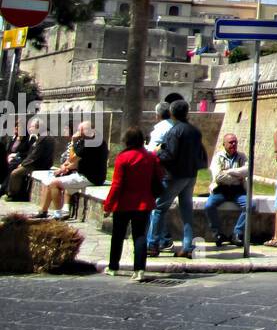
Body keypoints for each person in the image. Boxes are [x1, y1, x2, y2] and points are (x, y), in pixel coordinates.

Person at [148, 99, 208, 258]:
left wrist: (158, 151)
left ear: (172, 113)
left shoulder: (175, 131)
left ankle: (153, 244)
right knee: (186, 211)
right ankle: (188, 245)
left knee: (158, 208)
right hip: (191, 175)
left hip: (174, 176)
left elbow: (169, 155)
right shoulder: (195, 131)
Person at [103, 126, 163, 281]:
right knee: (140, 236)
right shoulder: (151, 157)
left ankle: (113, 266)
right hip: (143, 203)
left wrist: (108, 205)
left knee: (117, 235)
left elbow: (116, 185)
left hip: (123, 203)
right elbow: (159, 177)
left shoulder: (123, 158)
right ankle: (139, 270)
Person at [35, 121, 108, 218]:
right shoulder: (87, 140)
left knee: (54, 184)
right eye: (80, 130)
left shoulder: (93, 142)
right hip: (84, 174)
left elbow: (73, 158)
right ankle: (43, 211)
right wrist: (65, 166)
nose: (80, 132)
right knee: (51, 182)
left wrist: (73, 141)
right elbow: (72, 160)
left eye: (82, 130)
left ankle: (59, 213)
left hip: (91, 177)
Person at [205, 132, 250, 247]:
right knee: (209, 206)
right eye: (230, 142)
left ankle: (237, 233)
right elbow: (218, 177)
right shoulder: (218, 157)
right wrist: (238, 176)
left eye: (235, 142)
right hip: (220, 189)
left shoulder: (242, 156)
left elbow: (248, 171)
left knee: (250, 205)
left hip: (237, 191)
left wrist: (228, 172)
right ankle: (217, 233)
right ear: (224, 144)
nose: (233, 144)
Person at [5, 117, 54, 203]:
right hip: (35, 163)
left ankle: (13, 194)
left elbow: (34, 156)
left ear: (38, 127)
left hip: (38, 165)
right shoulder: (41, 137)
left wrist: (23, 164)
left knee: (15, 173)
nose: (30, 129)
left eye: (32, 127)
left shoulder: (43, 138)